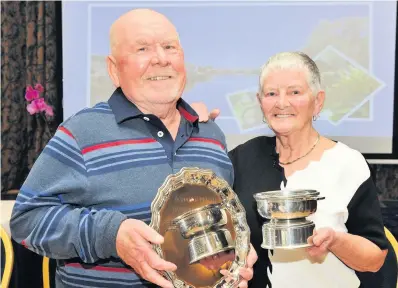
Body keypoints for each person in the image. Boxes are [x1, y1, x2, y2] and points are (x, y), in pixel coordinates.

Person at [10, 9, 256, 288]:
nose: (161, 58)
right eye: (142, 48)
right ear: (114, 69)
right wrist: (111, 235)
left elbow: (219, 223)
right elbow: (26, 219)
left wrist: (235, 256)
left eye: (169, 47)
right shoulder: (81, 133)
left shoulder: (211, 136)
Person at [193, 51, 389, 288]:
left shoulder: (347, 163)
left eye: (294, 92)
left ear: (318, 101)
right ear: (260, 102)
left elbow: (376, 259)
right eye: (271, 94)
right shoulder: (241, 159)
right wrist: (195, 131)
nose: (281, 103)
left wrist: (335, 241)